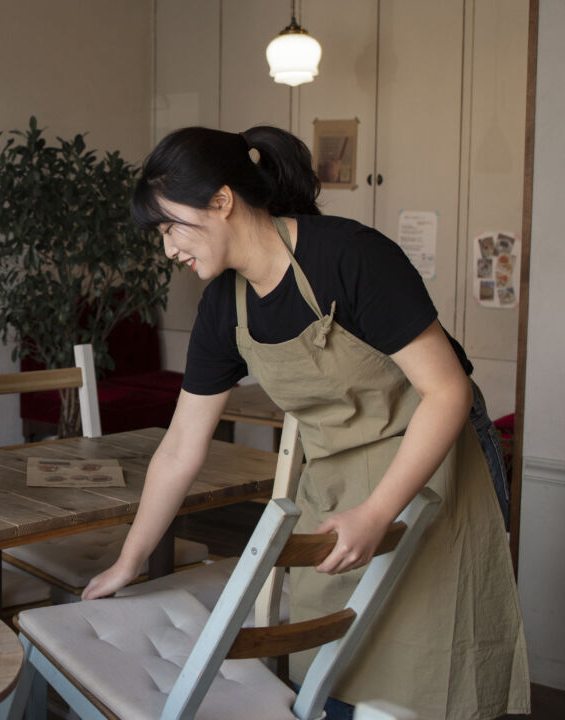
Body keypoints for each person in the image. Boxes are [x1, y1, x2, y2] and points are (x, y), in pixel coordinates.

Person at [82, 127, 529, 719]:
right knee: (334, 666)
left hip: (435, 469)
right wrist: (129, 560)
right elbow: (181, 447)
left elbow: (445, 392)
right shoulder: (224, 306)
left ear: (221, 200)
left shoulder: (351, 257)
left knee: (432, 679)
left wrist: (378, 513)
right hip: (337, 482)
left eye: (171, 228)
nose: (168, 250)